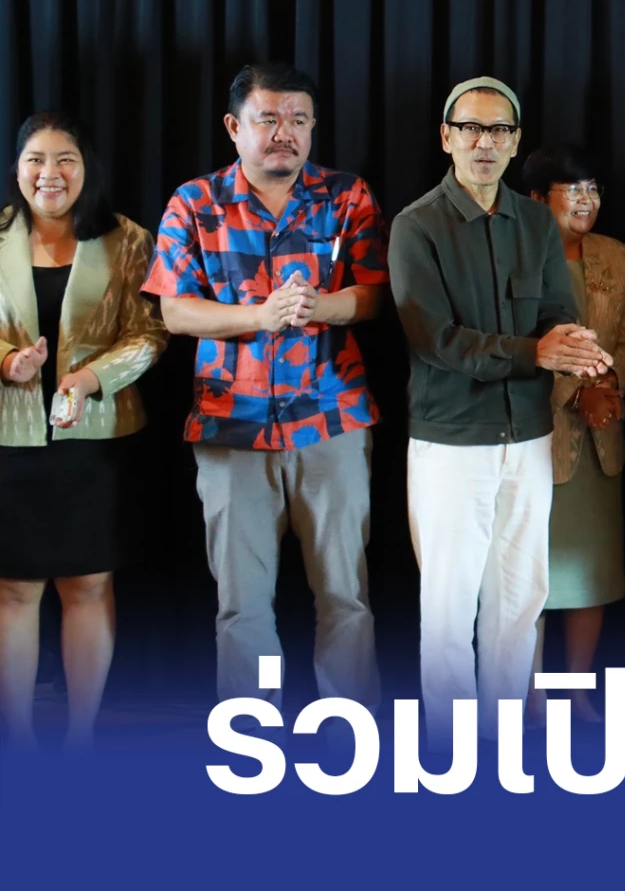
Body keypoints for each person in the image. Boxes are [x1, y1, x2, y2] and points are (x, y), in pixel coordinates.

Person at [144, 63, 386, 710]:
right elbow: (174, 311)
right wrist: (259, 316)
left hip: (332, 419)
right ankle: (253, 742)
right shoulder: (195, 202)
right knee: (242, 605)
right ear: (235, 127)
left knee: (345, 594)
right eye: (269, 119)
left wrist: (317, 306)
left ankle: (348, 735)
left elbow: (375, 295)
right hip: (231, 425)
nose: (285, 133)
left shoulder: (346, 195)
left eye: (299, 120)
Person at [390, 77, 610, 744]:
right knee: (450, 607)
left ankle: (505, 742)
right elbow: (434, 340)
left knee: (520, 599)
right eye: (471, 128)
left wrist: (574, 345)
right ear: (447, 137)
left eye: (499, 130)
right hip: (453, 441)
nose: (484, 143)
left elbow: (557, 312)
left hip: (529, 438)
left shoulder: (536, 222)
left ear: (515, 143)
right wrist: (536, 352)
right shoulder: (416, 225)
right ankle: (452, 751)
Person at [0, 113, 166, 747]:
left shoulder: (127, 239)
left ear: (86, 167)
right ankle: (18, 741)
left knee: (89, 583)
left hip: (96, 440)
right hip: (10, 441)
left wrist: (91, 377)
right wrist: (9, 362)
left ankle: (79, 740)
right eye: (36, 160)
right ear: (17, 170)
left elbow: (150, 332)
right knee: (14, 588)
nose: (51, 173)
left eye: (65, 159)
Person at [523, 144, 625, 724]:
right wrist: (577, 392)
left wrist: (611, 384)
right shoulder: (517, 255)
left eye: (593, 188)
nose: (586, 201)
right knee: (530, 575)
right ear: (535, 199)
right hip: (535, 438)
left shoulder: (617, 256)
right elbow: (518, 348)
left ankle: (575, 692)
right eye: (572, 190)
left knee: (591, 574)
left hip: (602, 437)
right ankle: (531, 693)